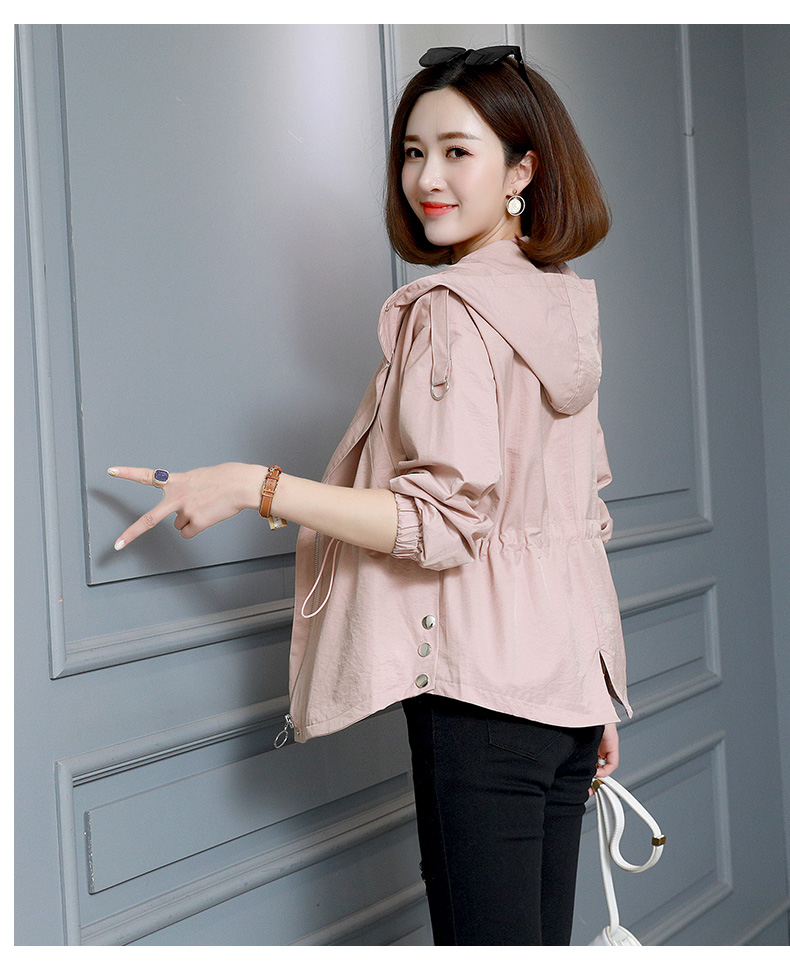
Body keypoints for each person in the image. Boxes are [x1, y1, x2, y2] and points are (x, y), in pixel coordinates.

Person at [109, 45, 631, 945]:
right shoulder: (564, 303)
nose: (427, 177)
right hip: (566, 698)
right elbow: (578, 515)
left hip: (483, 700)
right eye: (413, 151)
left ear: (522, 170)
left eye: (458, 151)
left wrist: (255, 485)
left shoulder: (451, 311)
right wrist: (591, 693)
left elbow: (441, 521)